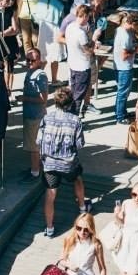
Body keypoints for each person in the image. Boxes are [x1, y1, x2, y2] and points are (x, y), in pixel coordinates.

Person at [36, 88, 89, 237]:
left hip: (50, 164)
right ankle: (82, 208)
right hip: (68, 163)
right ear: (70, 103)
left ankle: (50, 227)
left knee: (50, 194)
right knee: (77, 179)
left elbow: (38, 140)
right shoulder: (75, 121)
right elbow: (80, 144)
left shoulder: (46, 119)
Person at [20, 49, 48, 183]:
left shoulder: (40, 75)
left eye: (33, 60)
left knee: (33, 146)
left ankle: (35, 172)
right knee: (33, 145)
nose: (30, 63)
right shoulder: (30, 72)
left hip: (35, 116)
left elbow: (43, 99)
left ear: (39, 60)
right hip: (30, 114)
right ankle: (35, 168)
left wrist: (25, 98)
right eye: (28, 60)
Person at [112, 13, 138, 124]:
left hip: (120, 66)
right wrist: (137, 49)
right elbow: (124, 56)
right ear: (133, 23)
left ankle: (121, 112)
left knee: (123, 92)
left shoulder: (122, 29)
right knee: (123, 92)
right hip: (123, 67)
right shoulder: (124, 35)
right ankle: (120, 117)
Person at [65, 4, 95, 116]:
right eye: (88, 17)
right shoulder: (81, 33)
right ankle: (74, 118)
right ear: (85, 16)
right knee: (78, 96)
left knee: (73, 93)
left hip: (72, 65)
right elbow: (89, 51)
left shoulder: (70, 27)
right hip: (82, 67)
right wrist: (94, 39)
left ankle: (70, 115)